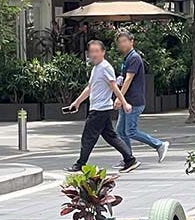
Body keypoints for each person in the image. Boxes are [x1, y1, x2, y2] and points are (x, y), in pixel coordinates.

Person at [65, 39, 138, 173]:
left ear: (103, 52)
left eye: (97, 51)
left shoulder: (105, 67)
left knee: (88, 137)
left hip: (100, 109)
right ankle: (129, 159)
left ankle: (80, 164)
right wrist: (77, 102)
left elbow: (114, 86)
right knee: (111, 136)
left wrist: (123, 102)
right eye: (92, 51)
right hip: (99, 108)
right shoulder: (96, 68)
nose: (94, 54)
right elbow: (90, 88)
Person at [114, 30, 170, 163]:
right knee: (120, 131)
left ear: (131, 41)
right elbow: (124, 78)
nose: (122, 44)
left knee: (130, 131)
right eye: (120, 42)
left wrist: (119, 97)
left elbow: (128, 79)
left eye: (124, 41)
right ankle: (128, 158)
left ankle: (159, 144)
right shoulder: (127, 58)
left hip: (133, 101)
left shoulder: (134, 58)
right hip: (127, 100)